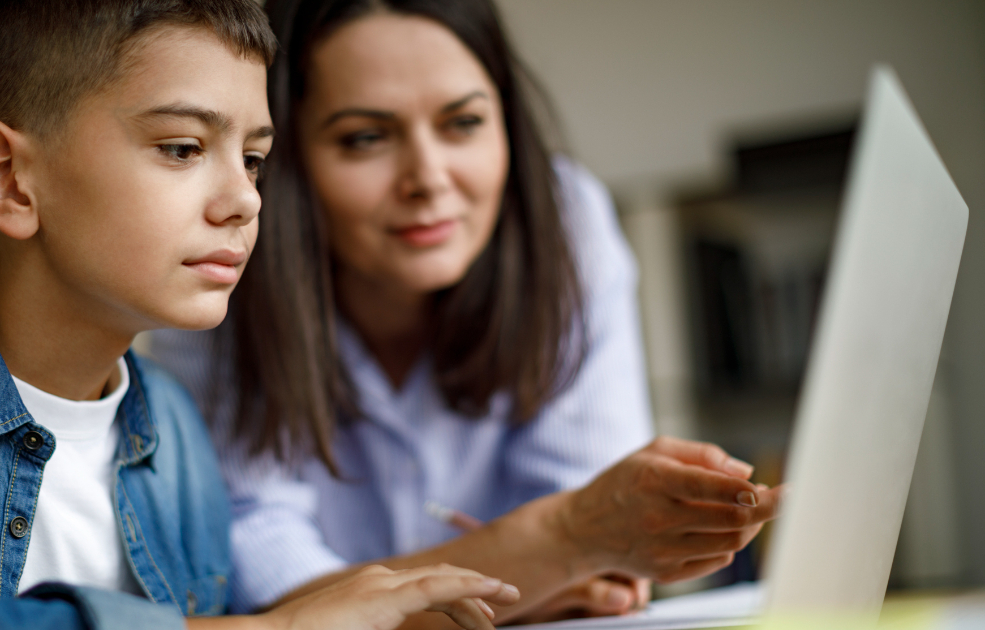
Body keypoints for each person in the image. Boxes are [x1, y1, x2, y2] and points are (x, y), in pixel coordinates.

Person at [0, 1, 524, 629]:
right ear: (9, 181)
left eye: (255, 159)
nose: (245, 199)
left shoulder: (173, 428)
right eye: (183, 147)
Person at [150, 0, 782, 625]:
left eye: (464, 123)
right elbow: (264, 580)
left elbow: (606, 557)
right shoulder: (222, 261)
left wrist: (555, 549)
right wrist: (548, 551)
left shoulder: (564, 221)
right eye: (365, 138)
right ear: (286, 163)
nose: (428, 177)